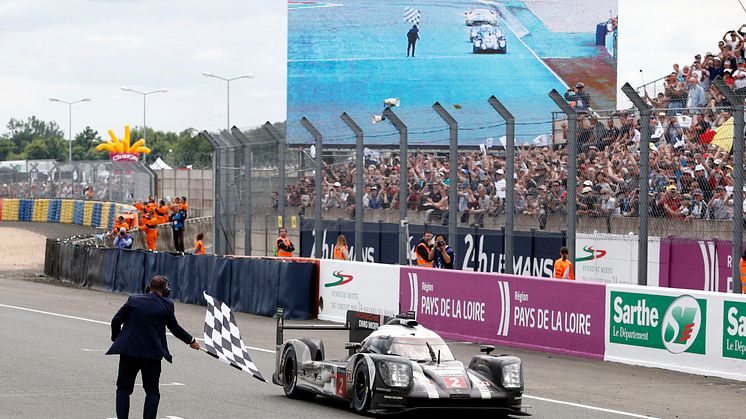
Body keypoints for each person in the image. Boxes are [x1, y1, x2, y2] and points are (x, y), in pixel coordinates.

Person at [107, 275, 201, 419]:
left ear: (148, 288)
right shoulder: (167, 305)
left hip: (129, 351)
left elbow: (116, 321)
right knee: (152, 391)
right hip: (151, 354)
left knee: (124, 388)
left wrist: (117, 339)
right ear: (166, 291)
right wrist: (191, 341)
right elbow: (175, 329)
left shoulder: (133, 300)